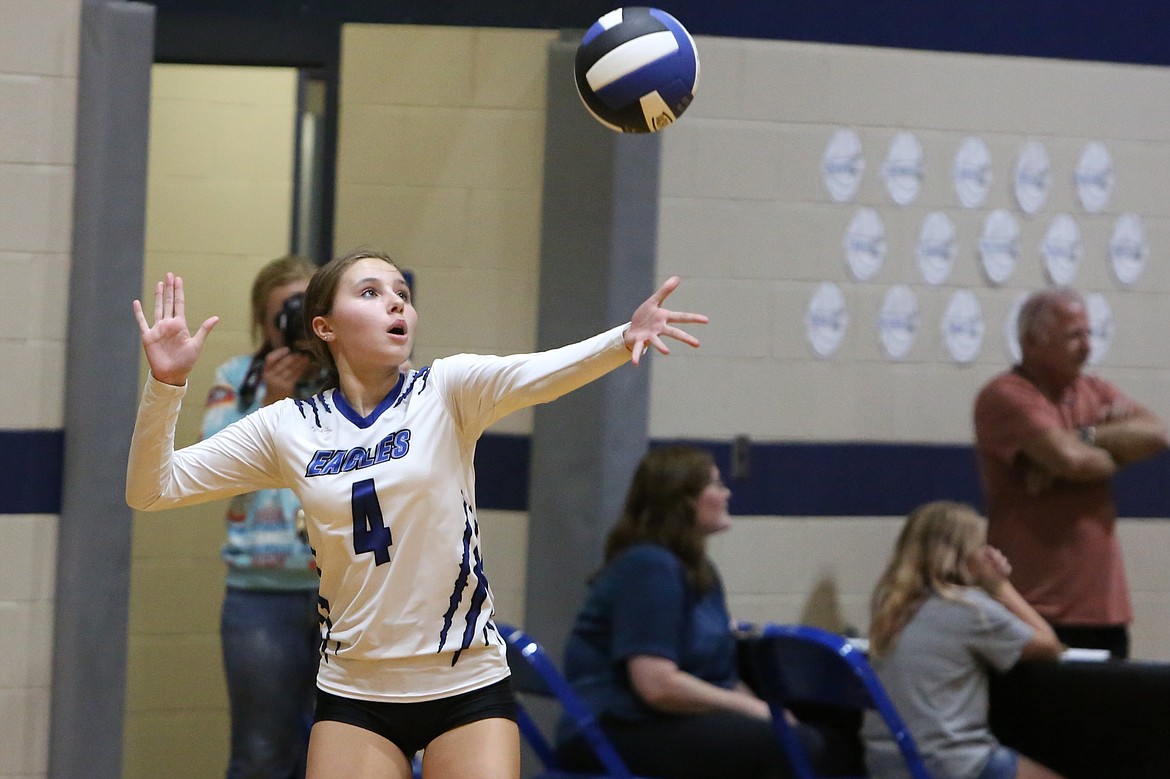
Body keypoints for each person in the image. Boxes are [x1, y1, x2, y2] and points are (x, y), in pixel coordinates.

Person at [126, 249, 707, 779]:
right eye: (371, 292)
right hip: (355, 691)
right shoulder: (287, 426)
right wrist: (166, 384)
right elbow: (153, 489)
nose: (396, 301)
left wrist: (620, 338)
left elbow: (541, 373)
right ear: (323, 327)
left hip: (466, 683)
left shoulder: (446, 389)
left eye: (401, 291)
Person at [556, 445, 830, 779]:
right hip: (612, 729)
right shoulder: (650, 567)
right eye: (715, 485)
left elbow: (720, 677)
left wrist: (765, 711)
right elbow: (657, 686)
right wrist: (756, 710)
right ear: (684, 500)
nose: (727, 493)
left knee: (817, 733)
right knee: (798, 745)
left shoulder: (696, 570)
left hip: (648, 721)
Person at [973, 288, 1168, 659]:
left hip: (1103, 610)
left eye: (1089, 334)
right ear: (1032, 341)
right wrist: (1117, 449)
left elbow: (1158, 434)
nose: (1086, 347)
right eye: (1073, 336)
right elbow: (1073, 463)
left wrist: (1087, 437)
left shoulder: (1094, 390)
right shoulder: (1005, 396)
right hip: (1032, 606)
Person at [201, 254, 323, 779]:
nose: (296, 325)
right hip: (260, 595)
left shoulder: (359, 383)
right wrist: (275, 400)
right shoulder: (236, 381)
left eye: (307, 309)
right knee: (261, 755)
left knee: (345, 755)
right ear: (262, 323)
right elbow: (217, 470)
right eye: (285, 313)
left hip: (347, 595)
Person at [864, 501, 1064, 779]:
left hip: (887, 762)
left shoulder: (890, 607)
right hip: (951, 763)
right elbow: (1048, 645)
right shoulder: (970, 609)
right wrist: (1000, 586)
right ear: (966, 554)